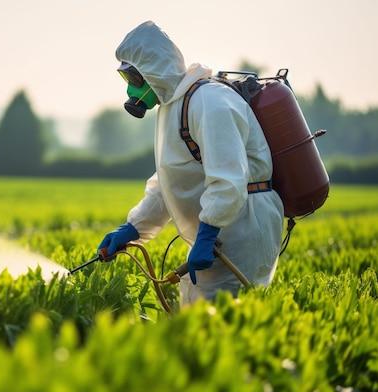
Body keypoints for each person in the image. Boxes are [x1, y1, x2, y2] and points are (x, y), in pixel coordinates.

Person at [97, 21, 284, 305]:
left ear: (154, 70)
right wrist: (134, 228)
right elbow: (170, 181)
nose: (131, 91)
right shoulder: (174, 106)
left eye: (135, 80)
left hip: (243, 225)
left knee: (224, 317)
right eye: (126, 80)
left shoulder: (210, 101)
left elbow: (229, 177)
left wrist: (208, 233)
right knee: (196, 314)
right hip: (222, 228)